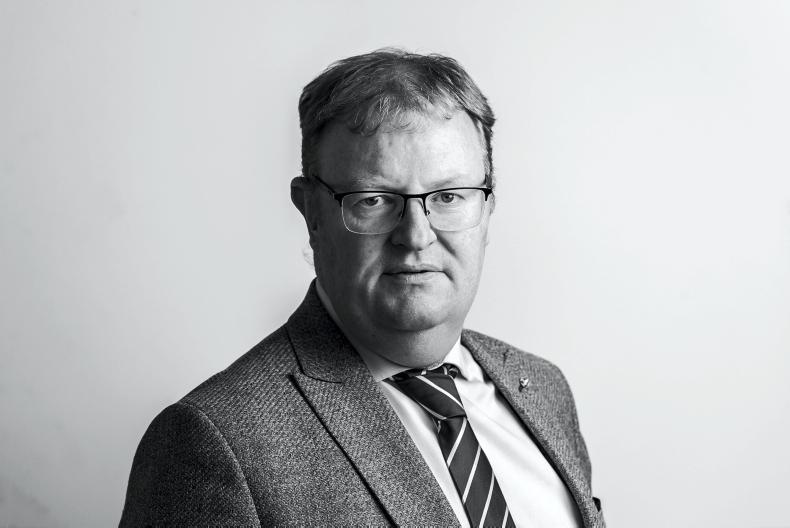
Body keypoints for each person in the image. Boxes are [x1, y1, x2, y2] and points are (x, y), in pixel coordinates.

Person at [120, 48, 605, 528]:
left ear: (488, 208)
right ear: (311, 212)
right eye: (374, 199)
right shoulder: (217, 442)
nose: (416, 235)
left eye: (449, 196)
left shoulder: (543, 390)